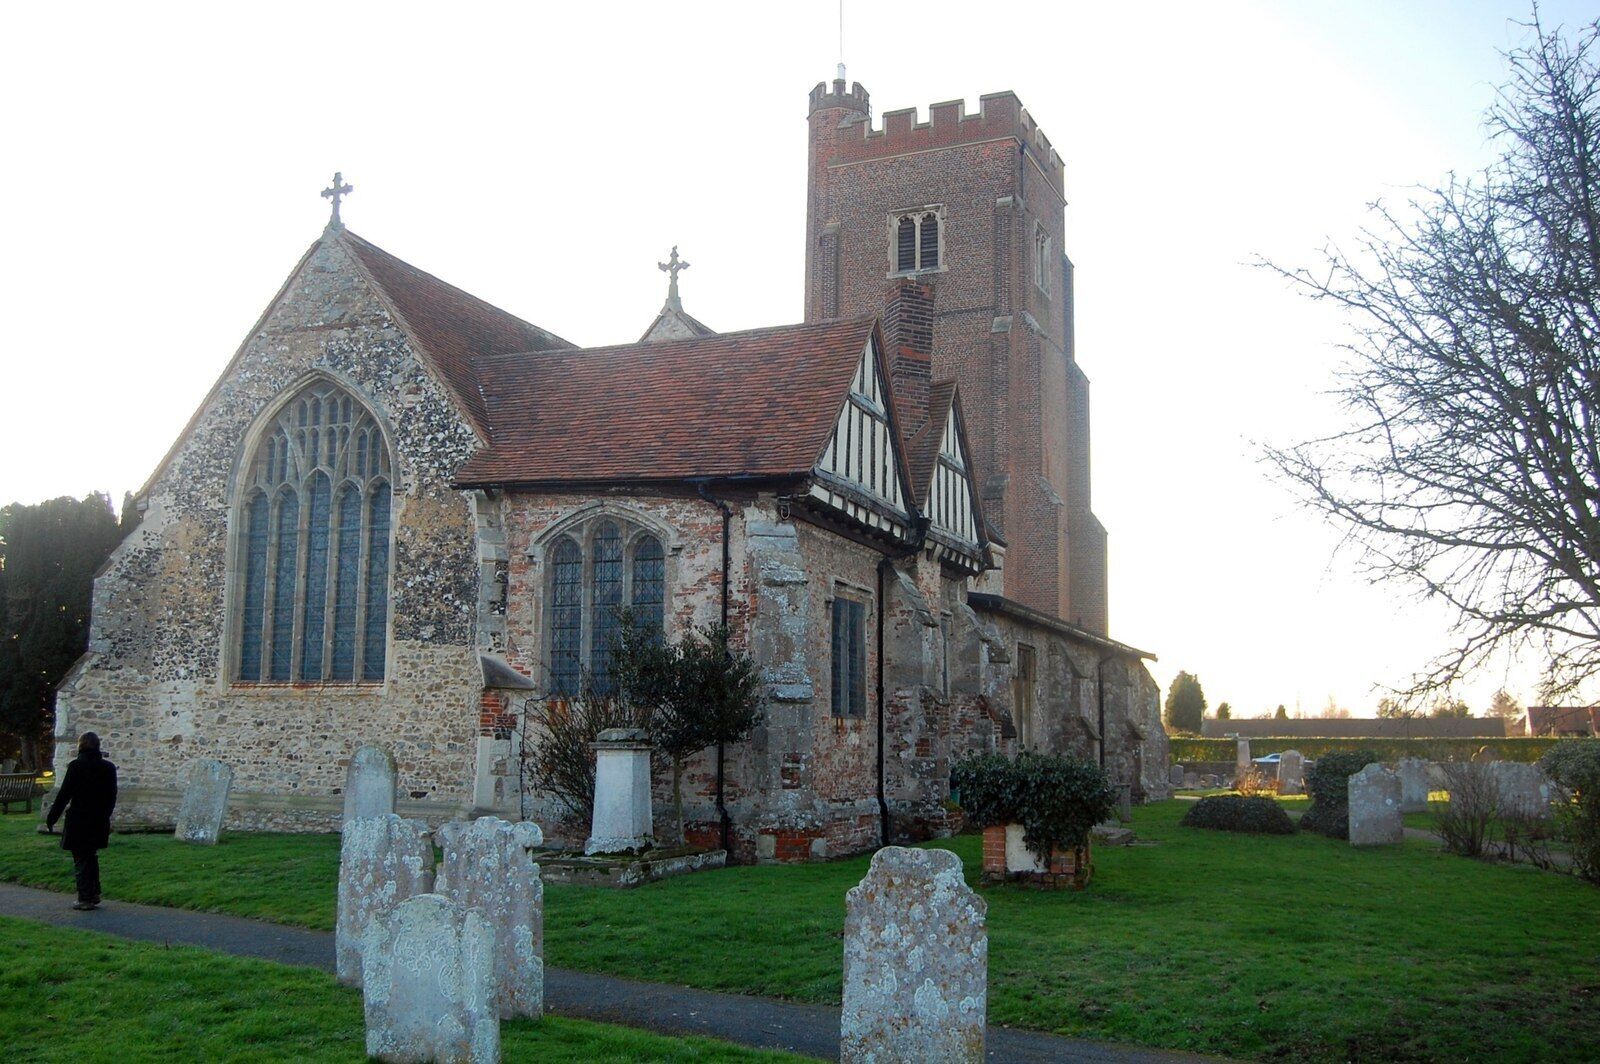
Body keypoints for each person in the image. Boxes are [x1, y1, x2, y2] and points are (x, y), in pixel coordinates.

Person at [43, 733, 118, 910]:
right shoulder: (108, 768)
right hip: (99, 818)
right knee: (91, 856)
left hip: (79, 818)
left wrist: (52, 817)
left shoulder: (76, 766)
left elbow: (64, 794)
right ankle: (94, 893)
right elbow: (112, 795)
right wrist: (106, 814)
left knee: (81, 858)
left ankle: (85, 897)